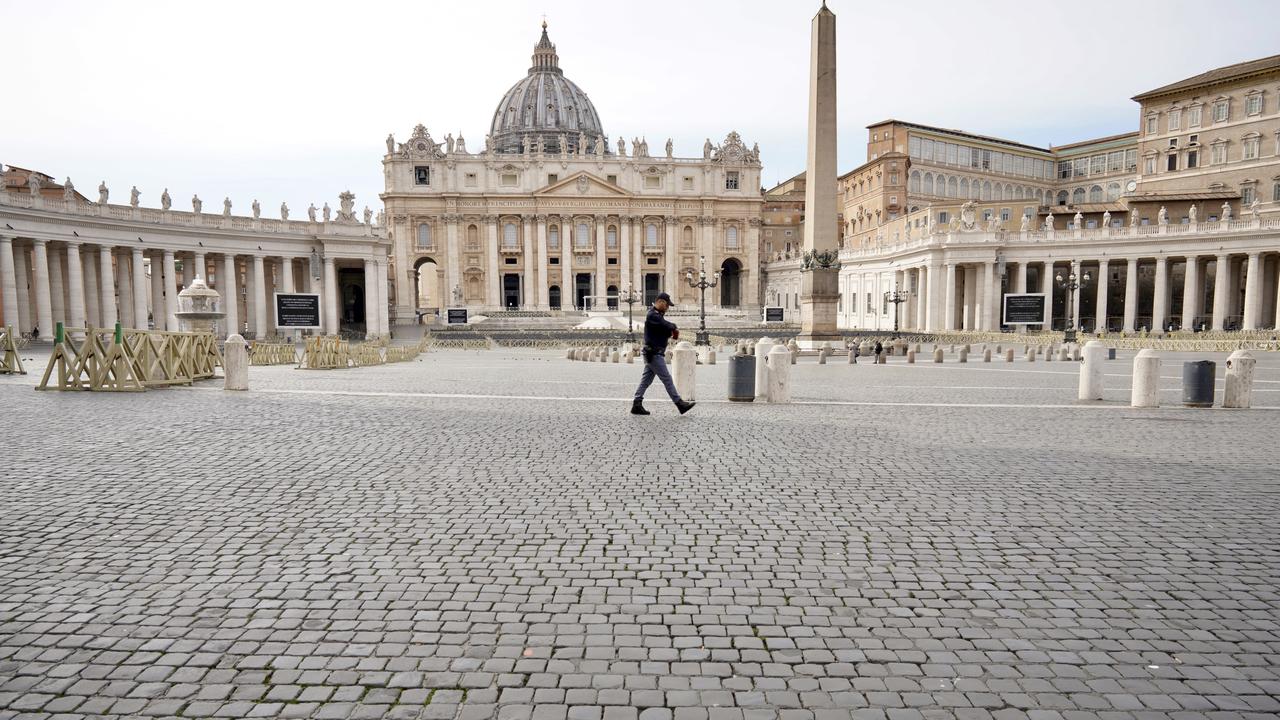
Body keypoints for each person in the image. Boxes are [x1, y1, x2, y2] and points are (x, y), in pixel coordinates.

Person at [631, 292, 695, 415]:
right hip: (654, 354)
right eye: (666, 305)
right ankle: (679, 404)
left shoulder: (658, 317)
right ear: (660, 302)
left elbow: (664, 331)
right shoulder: (653, 315)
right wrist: (674, 327)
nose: (667, 308)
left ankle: (637, 404)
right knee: (667, 379)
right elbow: (666, 325)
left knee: (646, 380)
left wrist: (671, 331)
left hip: (654, 353)